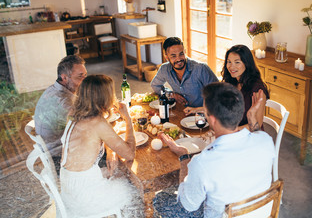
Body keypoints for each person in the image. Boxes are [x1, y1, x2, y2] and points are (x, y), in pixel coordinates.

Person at [154, 82, 275, 218]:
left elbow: (188, 205)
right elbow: (257, 134)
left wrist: (183, 157)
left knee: (160, 199)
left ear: (211, 119)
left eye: (205, 112)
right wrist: (252, 118)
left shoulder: (202, 162)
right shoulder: (266, 141)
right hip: (261, 213)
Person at [60, 74, 140, 217]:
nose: (114, 97)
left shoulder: (73, 114)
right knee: (135, 187)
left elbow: (94, 139)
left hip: (70, 187)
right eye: (111, 93)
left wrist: (110, 150)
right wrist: (128, 119)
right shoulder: (97, 122)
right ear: (103, 97)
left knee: (118, 172)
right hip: (85, 197)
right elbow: (130, 153)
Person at [184, 44, 269, 130]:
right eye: (229, 62)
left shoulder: (257, 89)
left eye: (237, 62)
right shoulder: (232, 82)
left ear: (247, 64)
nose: (231, 67)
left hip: (250, 136)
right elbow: (220, 108)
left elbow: (257, 125)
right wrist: (196, 110)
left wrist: (231, 132)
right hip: (232, 131)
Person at [34, 55, 87, 154]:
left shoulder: (53, 89)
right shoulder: (64, 101)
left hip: (50, 144)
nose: (85, 81)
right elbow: (86, 127)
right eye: (80, 76)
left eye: (85, 75)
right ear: (64, 77)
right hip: (59, 152)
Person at [151, 37, 218, 107]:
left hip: (202, 113)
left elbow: (218, 93)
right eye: (173, 56)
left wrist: (203, 110)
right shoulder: (164, 69)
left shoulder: (201, 68)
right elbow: (155, 85)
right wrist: (171, 94)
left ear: (185, 52)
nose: (178, 59)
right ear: (167, 57)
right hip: (180, 111)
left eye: (181, 54)